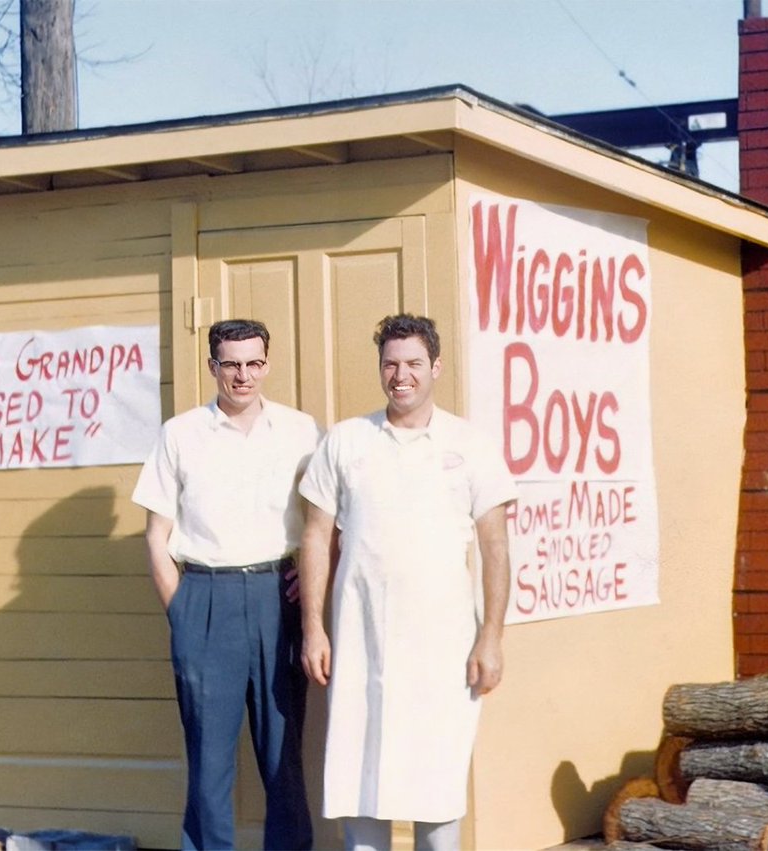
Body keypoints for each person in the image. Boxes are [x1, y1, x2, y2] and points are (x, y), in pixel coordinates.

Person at [298, 314, 516, 851]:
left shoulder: (470, 445)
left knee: (435, 773)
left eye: (414, 363)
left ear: (435, 367)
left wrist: (492, 635)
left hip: (442, 642)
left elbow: (494, 548)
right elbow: (315, 538)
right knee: (359, 767)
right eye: (391, 364)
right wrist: (313, 629)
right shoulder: (346, 441)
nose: (402, 375)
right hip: (360, 637)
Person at [133, 318, 318, 851]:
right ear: (213, 366)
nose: (243, 375)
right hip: (205, 598)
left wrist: (307, 588)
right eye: (231, 364)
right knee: (209, 761)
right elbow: (156, 535)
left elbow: (322, 521)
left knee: (283, 757)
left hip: (275, 599)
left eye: (254, 363)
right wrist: (183, 609)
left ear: (267, 363)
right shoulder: (181, 433)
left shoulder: (301, 430)